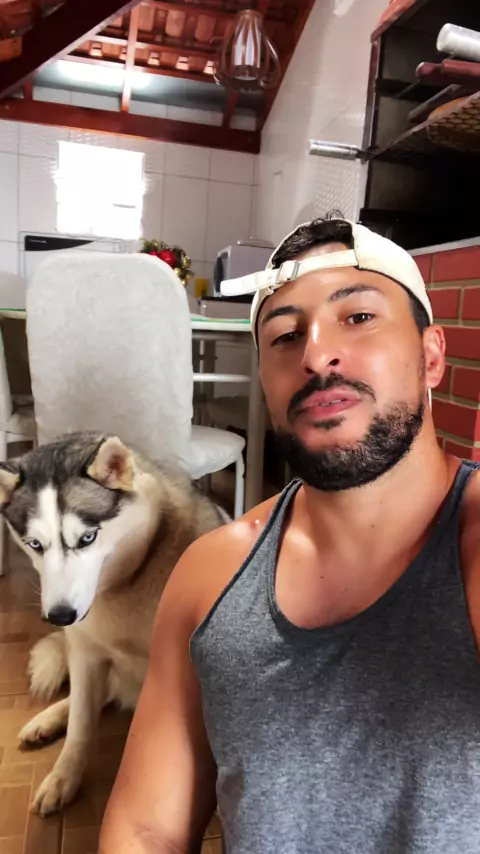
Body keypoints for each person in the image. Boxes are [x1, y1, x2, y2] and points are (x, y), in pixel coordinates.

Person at [98, 216, 480, 854]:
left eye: (358, 317)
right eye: (284, 335)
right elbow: (146, 829)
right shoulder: (210, 576)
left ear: (432, 356)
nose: (315, 355)